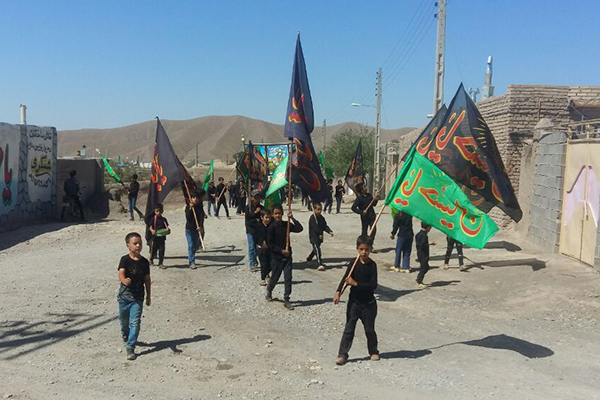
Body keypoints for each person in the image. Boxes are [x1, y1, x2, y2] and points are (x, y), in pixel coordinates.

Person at [333, 235, 379, 365]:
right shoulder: (353, 263)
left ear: (371, 249)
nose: (364, 252)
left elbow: (373, 286)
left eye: (367, 249)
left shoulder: (372, 266)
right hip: (354, 303)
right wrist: (338, 292)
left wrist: (356, 284)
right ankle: (342, 354)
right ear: (357, 249)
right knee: (349, 329)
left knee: (369, 330)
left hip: (368, 304)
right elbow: (346, 279)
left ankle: (373, 351)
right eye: (361, 249)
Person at [117, 232, 151, 361]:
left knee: (135, 322)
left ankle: (130, 347)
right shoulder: (124, 260)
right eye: (135, 243)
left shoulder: (145, 262)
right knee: (124, 320)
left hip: (138, 297)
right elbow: (121, 272)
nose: (138, 246)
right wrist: (123, 280)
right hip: (124, 297)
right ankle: (125, 334)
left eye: (140, 243)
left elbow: (147, 279)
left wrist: (148, 296)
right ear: (128, 245)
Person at [265, 205, 303, 310]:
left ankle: (287, 299)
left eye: (279, 213)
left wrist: (292, 218)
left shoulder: (287, 225)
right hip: (276, 257)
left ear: (282, 214)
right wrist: (281, 251)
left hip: (287, 257)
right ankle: (269, 289)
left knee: (288, 278)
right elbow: (270, 244)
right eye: (276, 213)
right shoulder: (271, 227)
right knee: (275, 278)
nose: (278, 215)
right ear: (273, 215)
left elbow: (300, 228)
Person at [306, 202, 333, 271]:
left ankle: (309, 258)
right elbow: (315, 228)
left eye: (320, 209)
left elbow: (324, 226)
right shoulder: (312, 218)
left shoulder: (321, 218)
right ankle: (319, 263)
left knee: (315, 250)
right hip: (314, 237)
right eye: (318, 209)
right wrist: (319, 234)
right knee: (318, 250)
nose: (319, 211)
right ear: (314, 209)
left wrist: (329, 231)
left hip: (320, 237)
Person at [185, 190, 206, 269]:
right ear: (191, 199)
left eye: (197, 197)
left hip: (197, 229)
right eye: (193, 197)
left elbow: (201, 218)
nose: (195, 199)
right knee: (190, 245)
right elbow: (188, 217)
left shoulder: (199, 208)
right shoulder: (188, 207)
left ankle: (192, 255)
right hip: (189, 229)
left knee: (195, 245)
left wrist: (200, 226)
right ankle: (192, 261)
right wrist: (190, 208)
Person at [145, 203, 169, 269]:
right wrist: (152, 230)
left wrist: (168, 231)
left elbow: (166, 227)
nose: (158, 213)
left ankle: (160, 263)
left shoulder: (164, 220)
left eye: (160, 211)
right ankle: (151, 260)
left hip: (162, 238)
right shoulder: (153, 219)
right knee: (154, 250)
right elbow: (150, 227)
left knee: (162, 250)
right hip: (155, 238)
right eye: (157, 211)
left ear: (162, 211)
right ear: (154, 211)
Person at [252, 209, 272, 286]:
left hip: (270, 248)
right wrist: (260, 243)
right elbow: (256, 237)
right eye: (266, 217)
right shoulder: (258, 226)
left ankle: (267, 274)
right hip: (261, 248)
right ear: (262, 217)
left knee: (270, 263)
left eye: (269, 218)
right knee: (263, 263)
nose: (268, 219)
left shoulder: (271, 226)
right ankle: (263, 278)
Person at [245, 190, 264, 271]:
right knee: (251, 247)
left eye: (258, 197)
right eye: (255, 197)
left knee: (257, 248)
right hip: (250, 230)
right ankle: (252, 264)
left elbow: (263, 218)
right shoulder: (248, 207)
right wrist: (256, 213)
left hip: (258, 230)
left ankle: (255, 259)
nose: (257, 199)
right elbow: (248, 219)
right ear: (252, 198)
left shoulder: (261, 208)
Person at [415, 222, 436, 288]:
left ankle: (419, 278)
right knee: (423, 267)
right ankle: (419, 280)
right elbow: (422, 245)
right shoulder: (424, 235)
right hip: (423, 253)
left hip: (419, 253)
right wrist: (429, 244)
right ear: (428, 228)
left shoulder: (418, 234)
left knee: (426, 267)